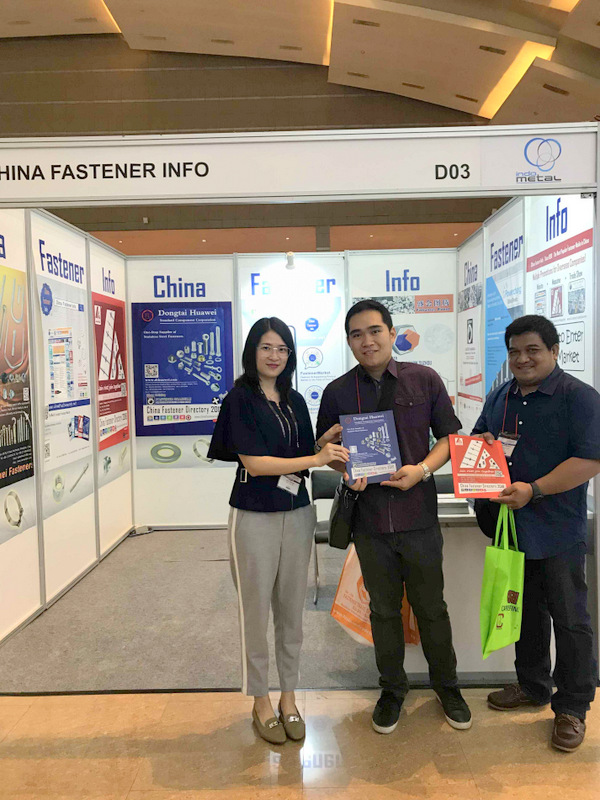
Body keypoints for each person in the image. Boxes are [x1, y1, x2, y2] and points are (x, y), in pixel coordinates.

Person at [316, 299, 472, 734]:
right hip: (369, 523)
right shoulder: (337, 392)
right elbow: (326, 450)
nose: (367, 341)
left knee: (431, 609)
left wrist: (422, 470)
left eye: (374, 331)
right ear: (349, 342)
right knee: (383, 611)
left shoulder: (424, 379)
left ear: (391, 332)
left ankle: (448, 688)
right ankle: (391, 690)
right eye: (356, 335)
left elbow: (449, 438)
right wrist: (342, 467)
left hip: (418, 516)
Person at [208, 317, 347, 744]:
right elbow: (255, 463)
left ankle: (289, 697)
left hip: (297, 512)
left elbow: (302, 453)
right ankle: (260, 700)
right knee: (255, 613)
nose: (275, 356)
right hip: (253, 514)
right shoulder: (240, 399)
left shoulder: (295, 400)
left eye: (282, 349)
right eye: (267, 347)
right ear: (252, 351)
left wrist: (328, 444)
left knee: (291, 612)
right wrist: (316, 460)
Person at [472, 314, 600, 752]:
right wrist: (482, 449)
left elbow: (590, 460)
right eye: (515, 352)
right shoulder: (501, 396)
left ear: (554, 351)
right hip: (512, 529)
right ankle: (532, 686)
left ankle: (573, 707)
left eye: (532, 350)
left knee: (571, 620)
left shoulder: (578, 397)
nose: (522, 359)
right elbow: (480, 439)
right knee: (523, 613)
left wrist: (536, 489)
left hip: (558, 529)